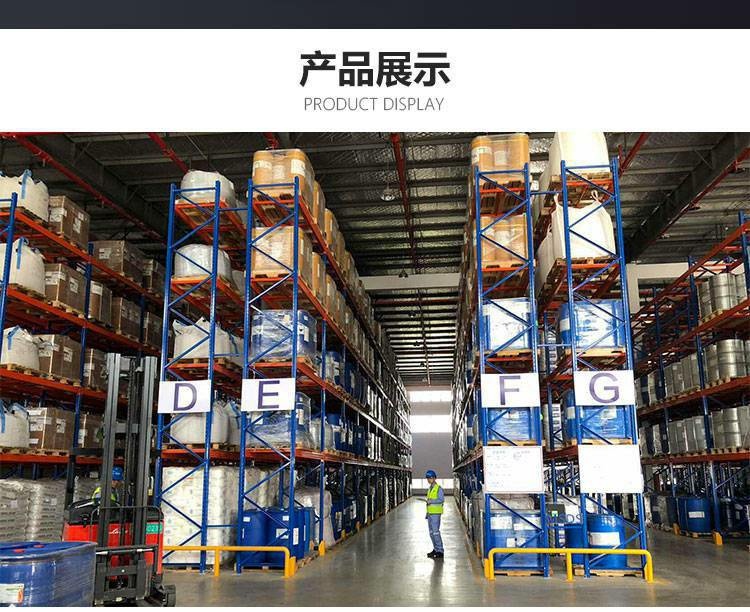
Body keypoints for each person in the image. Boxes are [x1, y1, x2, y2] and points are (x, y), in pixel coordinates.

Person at [424, 470, 444, 559]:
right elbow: (428, 502)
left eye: (430, 478)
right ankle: (435, 549)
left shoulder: (438, 488)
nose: (429, 480)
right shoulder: (430, 488)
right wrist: (427, 513)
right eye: (428, 478)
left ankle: (440, 551)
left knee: (436, 532)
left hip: (436, 514)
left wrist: (431, 501)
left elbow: (441, 500)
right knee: (431, 533)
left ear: (435, 478)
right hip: (430, 514)